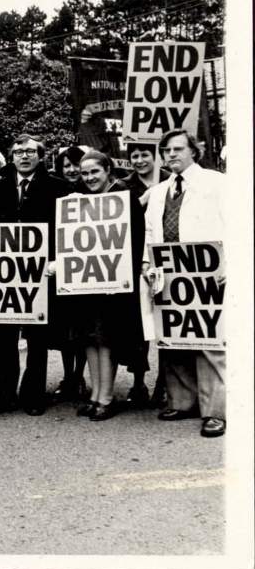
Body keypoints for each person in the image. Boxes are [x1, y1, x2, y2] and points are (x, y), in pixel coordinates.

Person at [0, 134, 71, 417]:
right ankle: (5, 394)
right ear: (12, 157)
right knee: (5, 338)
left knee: (38, 339)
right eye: (18, 152)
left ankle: (33, 394)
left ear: (41, 156)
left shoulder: (59, 188)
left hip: (41, 273)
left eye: (30, 151)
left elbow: (67, 228)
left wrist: (56, 261)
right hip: (6, 277)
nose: (24, 156)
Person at [142, 130, 227, 438]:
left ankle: (215, 411)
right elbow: (151, 231)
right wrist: (146, 263)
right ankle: (182, 401)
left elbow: (236, 222)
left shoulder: (217, 183)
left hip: (207, 271)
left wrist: (229, 262)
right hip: (168, 271)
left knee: (209, 340)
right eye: (166, 151)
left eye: (178, 149)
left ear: (195, 150)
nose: (171, 155)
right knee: (174, 338)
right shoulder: (160, 190)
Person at [70, 151, 145, 421]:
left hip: (113, 280)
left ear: (107, 170)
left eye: (94, 172)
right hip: (87, 280)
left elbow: (136, 239)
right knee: (89, 338)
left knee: (107, 339)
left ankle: (106, 397)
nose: (89, 177)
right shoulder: (80, 200)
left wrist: (124, 275)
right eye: (85, 173)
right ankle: (94, 394)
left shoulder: (124, 196)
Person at [120, 143, 171, 408]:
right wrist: (142, 200)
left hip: (163, 259)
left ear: (155, 157)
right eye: (135, 156)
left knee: (165, 323)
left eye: (144, 155)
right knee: (139, 327)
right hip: (133, 261)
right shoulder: (124, 185)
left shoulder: (170, 180)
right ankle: (138, 381)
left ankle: (164, 382)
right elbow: (118, 217)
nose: (139, 160)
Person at [51, 145, 92, 403]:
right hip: (62, 269)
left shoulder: (95, 193)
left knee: (85, 327)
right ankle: (69, 376)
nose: (72, 170)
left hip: (89, 269)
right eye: (66, 165)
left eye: (76, 165)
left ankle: (79, 375)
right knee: (66, 330)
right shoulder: (55, 191)